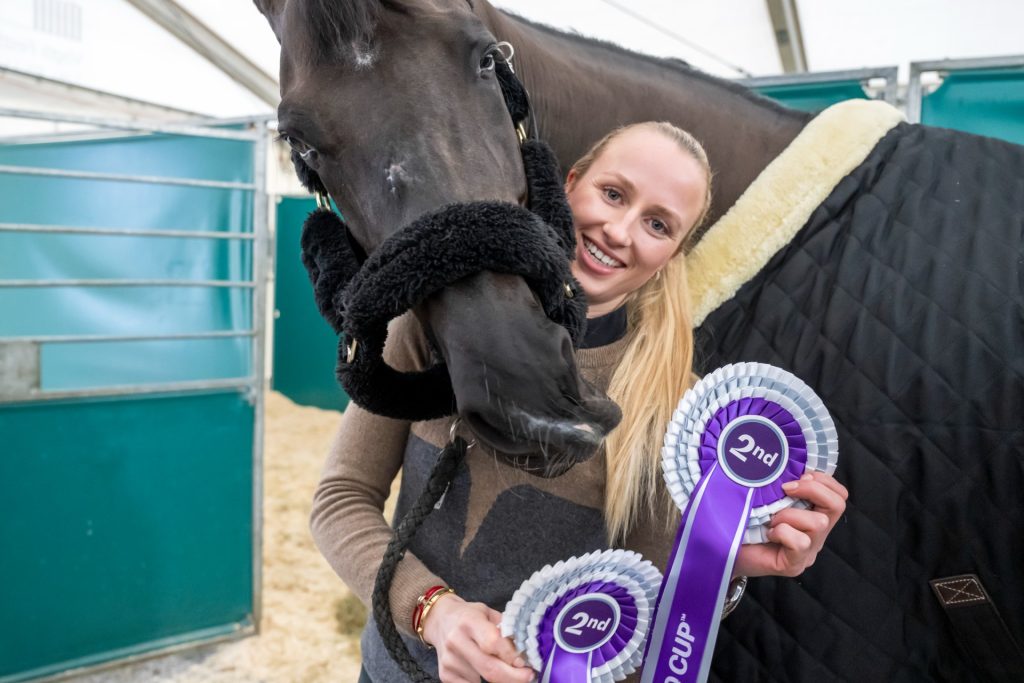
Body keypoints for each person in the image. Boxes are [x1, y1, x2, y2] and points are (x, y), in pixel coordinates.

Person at [310, 122, 849, 683]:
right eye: (613, 194)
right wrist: (433, 613)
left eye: (658, 224)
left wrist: (728, 567)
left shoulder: (685, 414)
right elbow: (340, 499)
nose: (619, 231)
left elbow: (649, 615)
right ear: (568, 185)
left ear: (672, 254)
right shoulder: (433, 322)